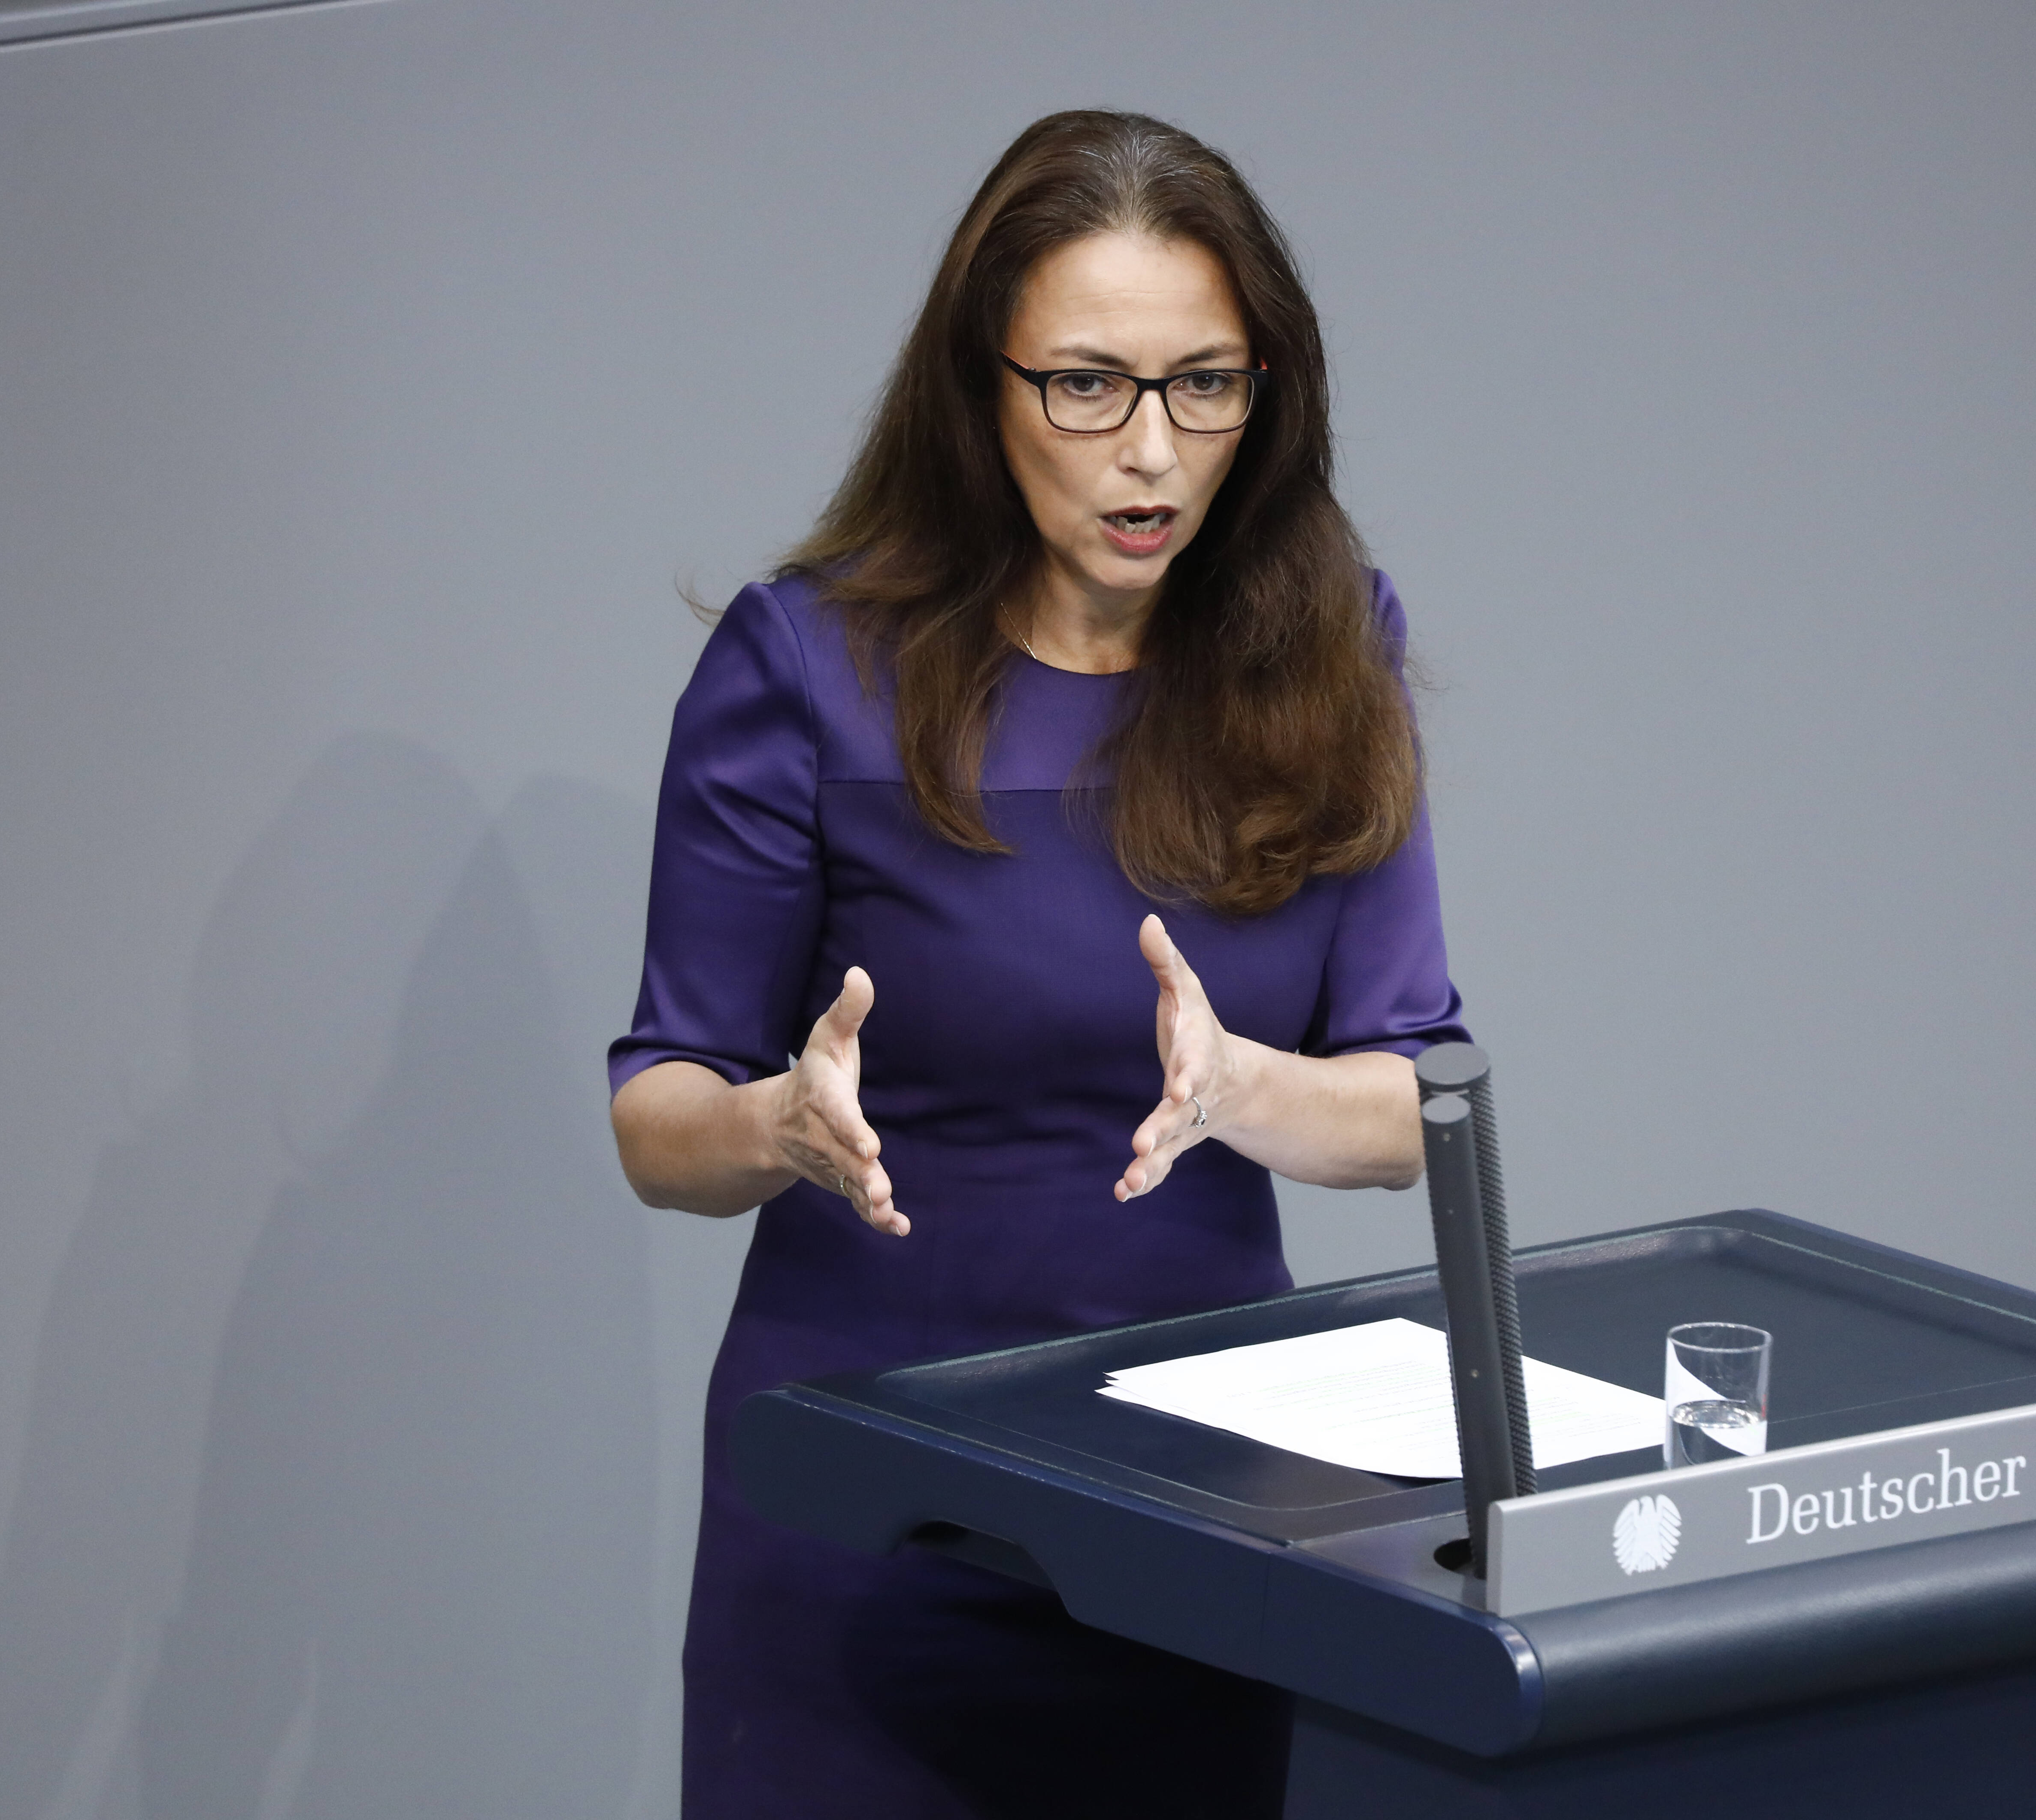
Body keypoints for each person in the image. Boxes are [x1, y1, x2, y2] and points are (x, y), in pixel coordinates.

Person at [608, 109, 1468, 1818]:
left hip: (1211, 1510)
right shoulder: (808, 669)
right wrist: (779, 1121)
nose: (1148, 451)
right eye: (1086, 385)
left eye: (1204, 385)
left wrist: (1243, 1090)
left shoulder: (1320, 646)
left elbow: (1407, 1103)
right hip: (866, 1513)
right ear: (980, 391)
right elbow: (658, 1111)